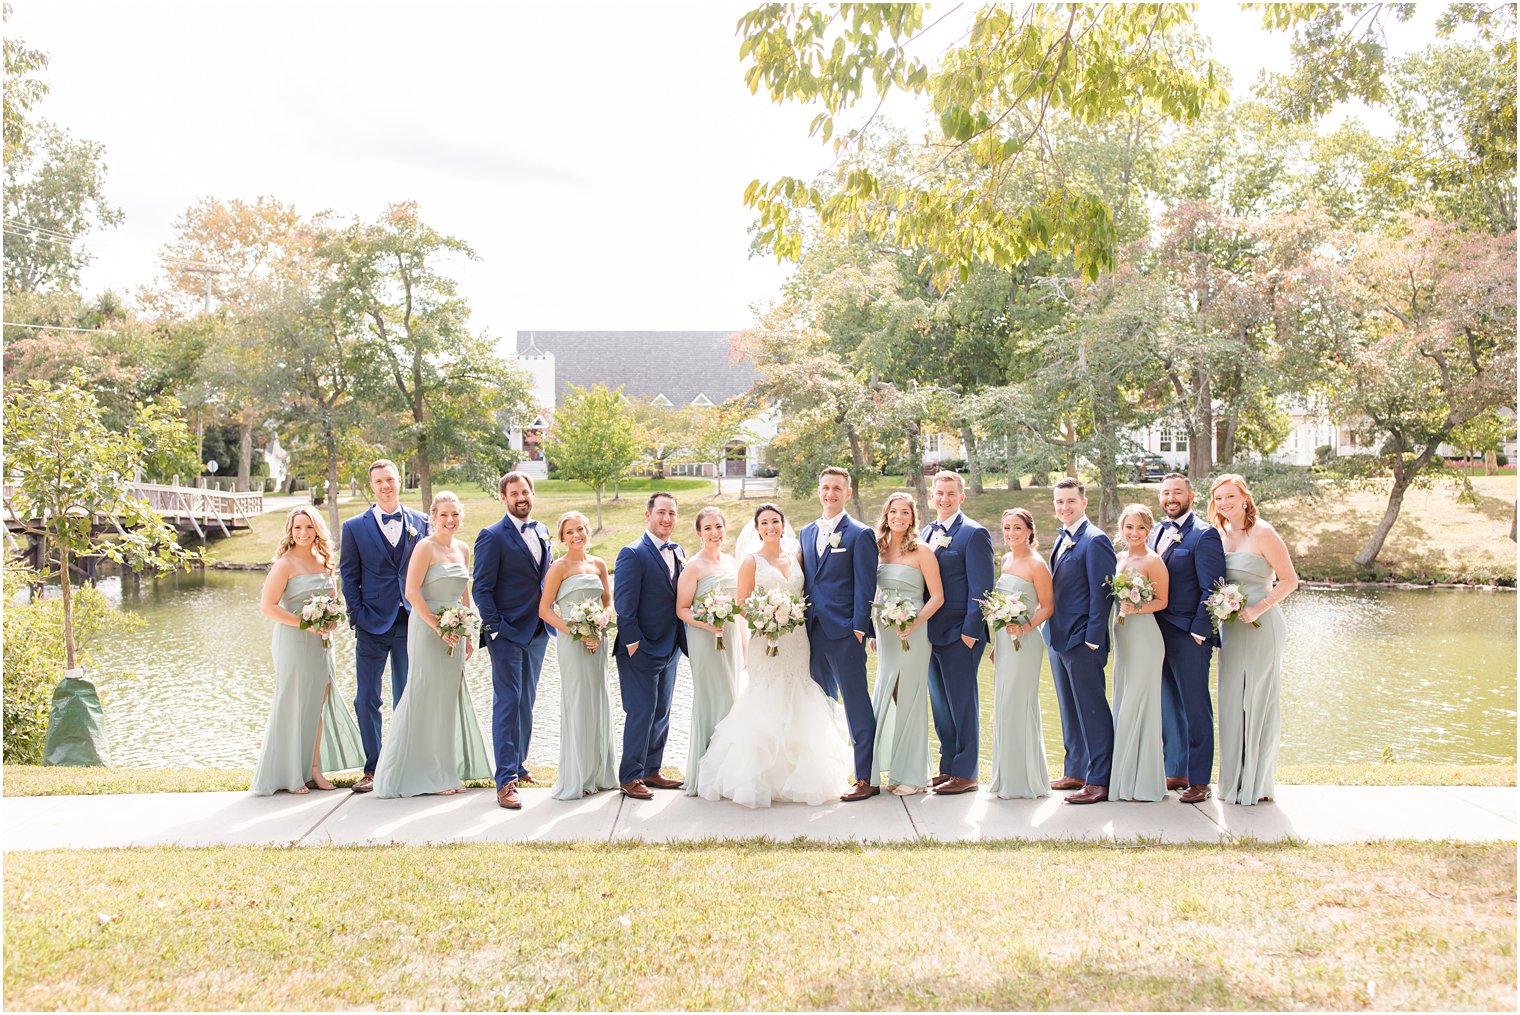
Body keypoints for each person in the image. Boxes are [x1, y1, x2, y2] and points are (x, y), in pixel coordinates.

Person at [697, 504, 854, 807]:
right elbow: (742, 604)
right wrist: (767, 621)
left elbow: (806, 596)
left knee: (798, 697)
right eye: (764, 523)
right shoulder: (751, 562)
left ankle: (797, 778)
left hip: (796, 640)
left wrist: (788, 616)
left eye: (775, 522)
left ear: (783, 526)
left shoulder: (797, 557)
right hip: (765, 640)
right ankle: (759, 779)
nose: (770, 527)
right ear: (757, 528)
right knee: (766, 699)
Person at [373, 492, 491, 798]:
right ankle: (415, 773)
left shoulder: (463, 549)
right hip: (427, 629)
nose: (450, 520)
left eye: (455, 514)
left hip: (455, 630)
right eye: (444, 515)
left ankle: (444, 771)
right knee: (422, 696)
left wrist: (468, 633)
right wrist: (438, 627)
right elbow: (412, 593)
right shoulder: (424, 547)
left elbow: (465, 593)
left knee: (446, 701)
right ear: (432, 517)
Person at [250, 507, 365, 795]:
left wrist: (331, 619)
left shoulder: (325, 561)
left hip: (322, 643)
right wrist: (306, 624)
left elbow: (334, 601)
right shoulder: (284, 564)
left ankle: (314, 770)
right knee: (293, 704)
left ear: (317, 530)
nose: (303, 533)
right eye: (297, 527)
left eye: (309, 527)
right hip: (293, 640)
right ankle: (290, 773)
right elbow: (268, 607)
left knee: (317, 705)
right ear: (290, 530)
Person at [339, 459, 429, 794]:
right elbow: (348, 575)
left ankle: (405, 762)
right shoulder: (354, 527)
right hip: (371, 624)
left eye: (390, 479)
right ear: (372, 485)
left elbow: (430, 570)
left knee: (408, 695)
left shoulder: (421, 522)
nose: (386, 485)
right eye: (379, 481)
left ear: (399, 482)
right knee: (366, 698)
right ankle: (373, 767)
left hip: (411, 621)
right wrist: (357, 615)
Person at [1209, 474, 1298, 806]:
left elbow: (1290, 580)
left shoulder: (1264, 532)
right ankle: (1232, 783)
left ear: (1245, 498)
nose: (1224, 503)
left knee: (1258, 701)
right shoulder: (1219, 535)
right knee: (1232, 702)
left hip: (1263, 628)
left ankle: (1257, 784)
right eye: (1218, 498)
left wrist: (1260, 607)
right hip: (1232, 629)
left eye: (1230, 496)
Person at [798, 467, 880, 802]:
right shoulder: (805, 532)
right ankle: (825, 772)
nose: (830, 493)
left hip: (846, 632)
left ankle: (866, 777)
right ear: (818, 491)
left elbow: (866, 584)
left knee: (856, 703)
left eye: (837, 488)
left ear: (846, 492)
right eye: (825, 487)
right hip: (811, 631)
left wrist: (860, 627)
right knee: (819, 703)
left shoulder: (860, 534)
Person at [474, 471, 552, 810]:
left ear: (532, 494)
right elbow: (481, 588)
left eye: (525, 492)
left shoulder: (543, 531)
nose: (521, 498)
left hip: (538, 632)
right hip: (506, 634)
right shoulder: (492, 536)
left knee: (526, 701)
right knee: (507, 702)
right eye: (514, 493)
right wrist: (496, 629)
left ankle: (519, 765)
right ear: (504, 498)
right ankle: (505, 781)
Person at [1152, 473, 1226, 804]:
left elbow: (1213, 587)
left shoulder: (1204, 535)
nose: (1171, 498)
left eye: (1177, 493)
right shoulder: (1155, 531)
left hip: (1188, 635)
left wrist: (1200, 631)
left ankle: (1199, 779)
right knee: (1169, 705)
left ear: (1190, 497)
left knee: (1196, 707)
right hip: (1156, 633)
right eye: (1166, 493)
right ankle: (1177, 769)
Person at [920, 471, 996, 795]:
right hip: (930, 632)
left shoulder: (974, 534)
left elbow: (982, 587)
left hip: (960, 634)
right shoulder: (926, 532)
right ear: (931, 495)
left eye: (951, 493)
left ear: (961, 497)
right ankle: (948, 765)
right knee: (940, 704)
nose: (944, 499)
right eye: (939, 493)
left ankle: (967, 773)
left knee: (963, 703)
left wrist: (970, 632)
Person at [1044, 477, 1117, 805]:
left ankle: (1100, 780)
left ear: (1083, 503)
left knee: (1091, 709)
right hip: (1058, 637)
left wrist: (1092, 639)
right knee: (1069, 709)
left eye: (1070, 501)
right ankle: (1075, 770)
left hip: (1082, 640)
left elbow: (1103, 594)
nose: (1064, 507)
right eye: (1059, 502)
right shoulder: (1063, 539)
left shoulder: (1095, 540)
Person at [538, 511, 617, 801]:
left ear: (588, 532)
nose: (577, 536)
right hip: (572, 642)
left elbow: (608, 602)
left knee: (598, 699)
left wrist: (602, 621)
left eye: (581, 529)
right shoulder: (558, 567)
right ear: (562, 537)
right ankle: (577, 775)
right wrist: (575, 631)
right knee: (578, 701)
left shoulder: (599, 564)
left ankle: (600, 773)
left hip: (598, 638)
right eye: (570, 531)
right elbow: (545, 609)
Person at [613, 492, 687, 799]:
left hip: (670, 646)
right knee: (641, 711)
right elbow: (624, 607)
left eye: (672, 513)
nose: (667, 519)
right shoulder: (632, 553)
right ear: (648, 515)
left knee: (662, 711)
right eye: (661, 513)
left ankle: (652, 770)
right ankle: (630, 776)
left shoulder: (678, 550)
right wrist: (634, 645)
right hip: (640, 647)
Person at [868, 492, 943, 795]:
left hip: (914, 631)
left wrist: (914, 622)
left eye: (905, 513)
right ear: (886, 515)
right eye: (893, 512)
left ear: (913, 518)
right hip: (885, 632)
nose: (898, 517)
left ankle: (913, 775)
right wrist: (873, 631)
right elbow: (875, 592)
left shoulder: (922, 550)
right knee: (887, 694)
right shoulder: (879, 549)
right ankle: (887, 769)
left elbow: (937, 596)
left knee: (910, 697)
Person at [675, 506, 742, 798]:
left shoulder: (731, 562)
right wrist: (706, 622)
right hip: (705, 639)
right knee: (712, 700)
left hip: (730, 638)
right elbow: (681, 609)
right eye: (708, 528)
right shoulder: (694, 566)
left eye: (718, 527)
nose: (715, 533)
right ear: (699, 533)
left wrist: (745, 644)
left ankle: (728, 772)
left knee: (732, 701)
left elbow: (739, 607)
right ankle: (705, 774)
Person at [986, 508, 1053, 800]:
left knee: (1018, 705)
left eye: (1017, 528)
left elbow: (1047, 607)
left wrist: (1024, 629)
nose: (1011, 534)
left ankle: (1024, 782)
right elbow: (1001, 604)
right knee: (1003, 706)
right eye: (1007, 528)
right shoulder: (1006, 559)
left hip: (1025, 642)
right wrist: (996, 644)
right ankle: (1006, 778)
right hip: (1004, 641)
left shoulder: (1038, 565)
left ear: (1029, 530)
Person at [1109, 503, 1170, 802]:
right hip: (1123, 636)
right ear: (1121, 529)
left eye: (1140, 528)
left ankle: (1143, 782)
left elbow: (1162, 600)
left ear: (1149, 530)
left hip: (1145, 636)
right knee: (1122, 702)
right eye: (1129, 527)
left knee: (1139, 706)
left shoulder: (1153, 560)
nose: (1134, 533)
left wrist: (1137, 607)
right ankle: (1123, 780)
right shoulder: (1119, 558)